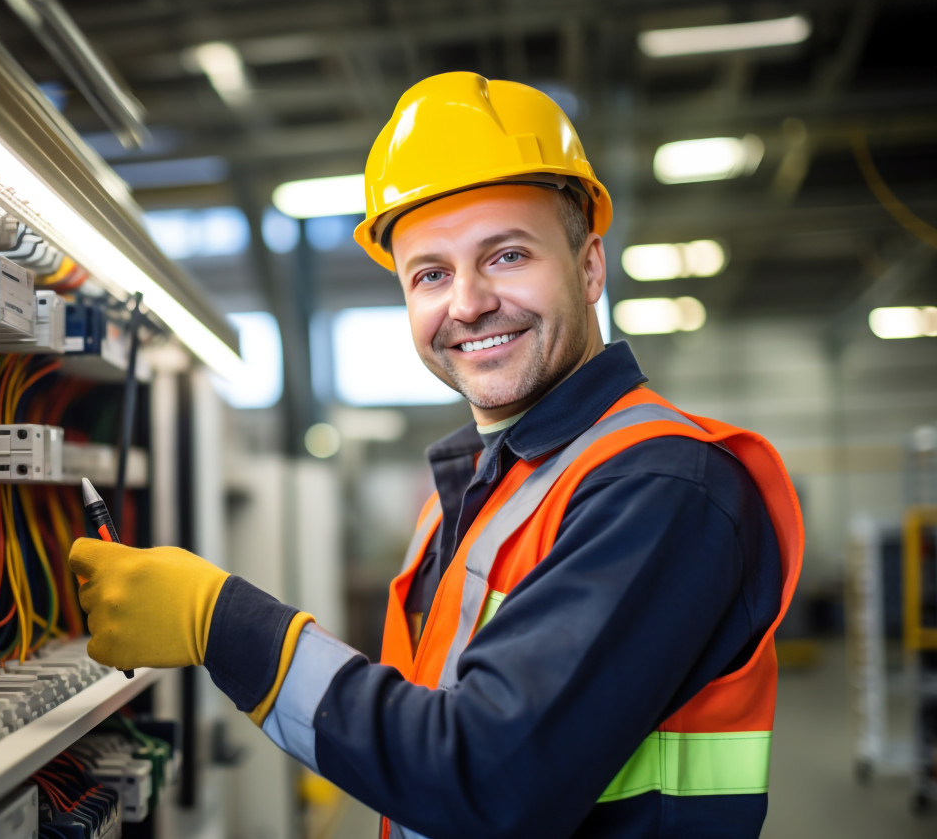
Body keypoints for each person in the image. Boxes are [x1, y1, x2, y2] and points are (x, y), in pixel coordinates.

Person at [70, 72, 803, 838]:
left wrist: (218, 620)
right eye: (430, 273)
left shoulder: (663, 487)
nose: (467, 302)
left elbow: (483, 775)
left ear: (590, 267)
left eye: (508, 255)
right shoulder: (469, 493)